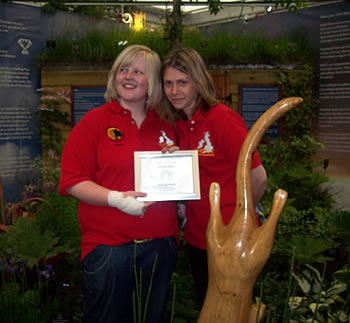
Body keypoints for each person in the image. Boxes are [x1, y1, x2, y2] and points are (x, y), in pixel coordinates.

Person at [58, 45, 178, 323]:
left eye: (138, 71)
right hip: (108, 249)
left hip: (160, 247)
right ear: (114, 77)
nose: (128, 76)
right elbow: (73, 181)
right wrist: (116, 199)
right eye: (123, 69)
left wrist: (177, 164)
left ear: (153, 83)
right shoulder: (93, 122)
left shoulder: (165, 126)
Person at [161, 47, 267, 308]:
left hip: (231, 240)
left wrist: (242, 221)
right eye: (168, 83)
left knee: (232, 311)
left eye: (182, 83)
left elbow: (258, 177)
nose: (174, 91)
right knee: (207, 307)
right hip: (198, 237)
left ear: (198, 82)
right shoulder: (181, 124)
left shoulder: (222, 119)